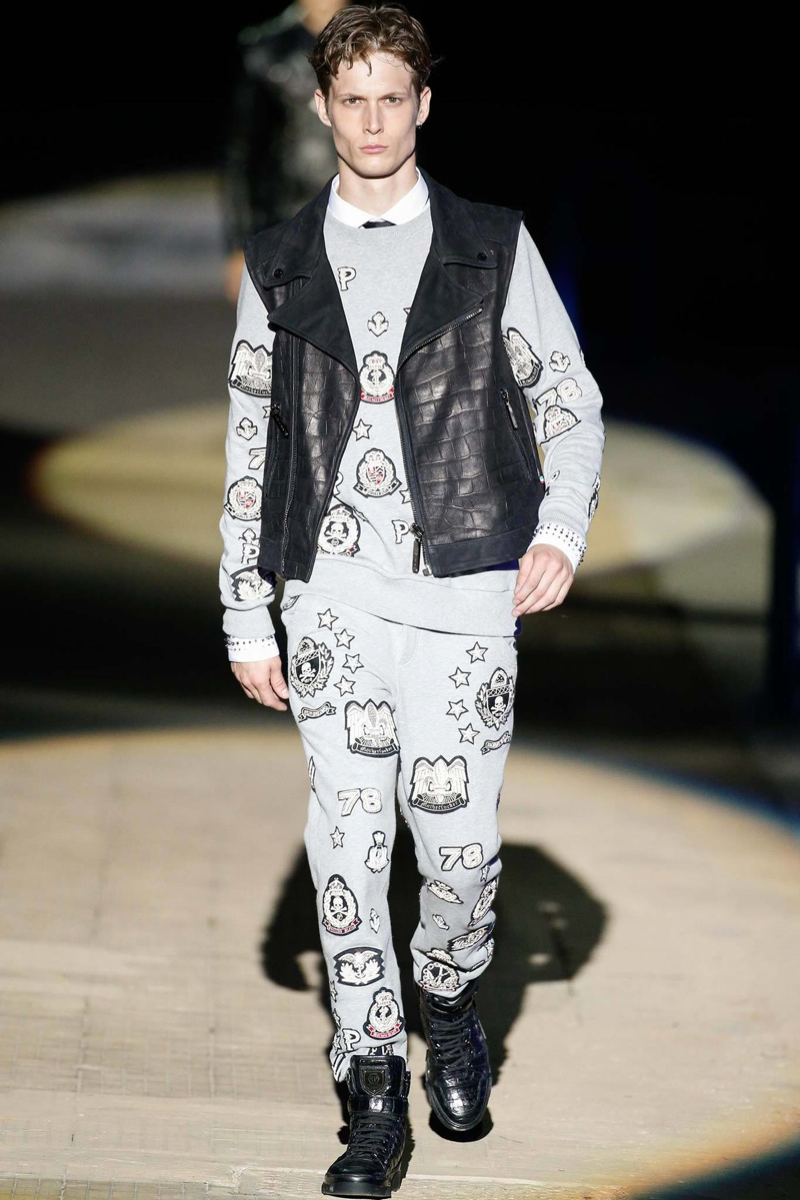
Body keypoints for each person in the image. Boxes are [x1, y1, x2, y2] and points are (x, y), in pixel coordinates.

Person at [218, 4, 605, 1195]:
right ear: (322, 109)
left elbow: (568, 401)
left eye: (394, 97)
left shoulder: (491, 246)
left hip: (466, 591)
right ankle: (373, 1088)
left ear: (423, 105)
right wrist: (245, 610)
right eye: (353, 100)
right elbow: (248, 449)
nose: (374, 120)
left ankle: (447, 991)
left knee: (460, 851)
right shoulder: (279, 262)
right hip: (328, 599)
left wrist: (557, 530)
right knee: (347, 842)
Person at [220, 0, 350, 304]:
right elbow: (241, 155)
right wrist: (238, 245)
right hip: (284, 226)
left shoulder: (379, 44)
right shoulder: (265, 51)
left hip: (361, 219)